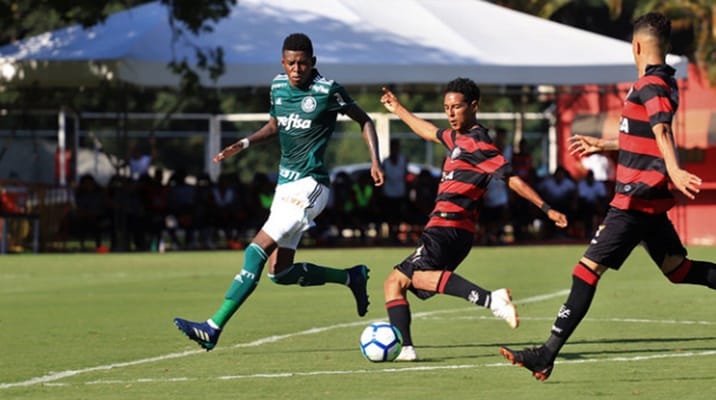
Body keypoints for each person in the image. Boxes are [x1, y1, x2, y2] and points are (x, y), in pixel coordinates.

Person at [500, 12, 716, 381]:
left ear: (636, 46)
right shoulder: (664, 81)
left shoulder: (651, 84)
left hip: (633, 200)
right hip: (648, 201)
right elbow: (644, 132)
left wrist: (675, 169)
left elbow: (662, 131)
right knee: (678, 270)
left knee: (585, 271)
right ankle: (546, 355)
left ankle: (545, 354)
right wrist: (604, 144)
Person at [173, 33, 384, 351]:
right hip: (285, 187)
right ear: (283, 63)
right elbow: (275, 125)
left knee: (254, 251)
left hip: (311, 186)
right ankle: (351, 277)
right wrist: (245, 143)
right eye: (290, 63)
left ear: (313, 62)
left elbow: (365, 121)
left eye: (302, 63)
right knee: (280, 273)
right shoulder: (278, 86)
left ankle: (212, 327)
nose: (296, 69)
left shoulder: (328, 90)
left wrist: (375, 161)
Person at [379, 79, 567, 361]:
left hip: (448, 226)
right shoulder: (456, 138)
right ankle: (406, 348)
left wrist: (546, 208)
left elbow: (511, 178)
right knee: (396, 282)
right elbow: (428, 131)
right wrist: (398, 109)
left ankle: (492, 300)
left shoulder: (478, 143)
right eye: (446, 108)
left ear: (474, 106)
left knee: (404, 279)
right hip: (449, 228)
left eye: (456, 107)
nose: (450, 113)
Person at [380, 139, 409, 241]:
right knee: (389, 217)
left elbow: (406, 177)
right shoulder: (385, 162)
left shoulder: (403, 160)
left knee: (399, 217)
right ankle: (390, 236)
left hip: (400, 193)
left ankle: (397, 236)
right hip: (388, 193)